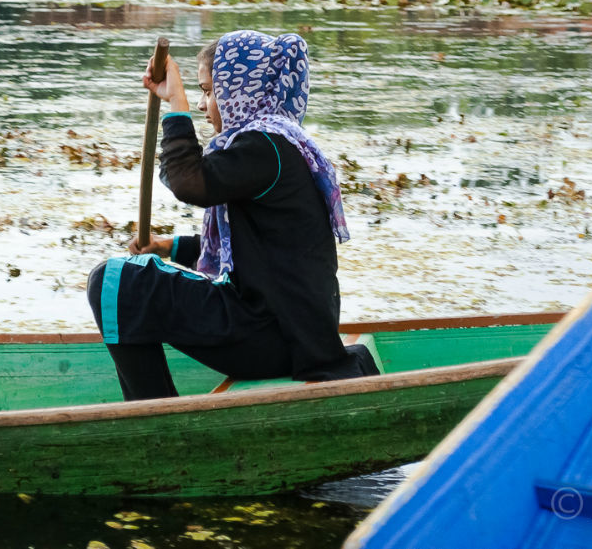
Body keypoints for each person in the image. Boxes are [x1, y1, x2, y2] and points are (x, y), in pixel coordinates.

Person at [86, 30, 378, 400]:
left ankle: (155, 417)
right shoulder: (277, 145)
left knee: (112, 281)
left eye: (210, 92)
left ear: (241, 89)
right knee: (125, 280)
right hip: (288, 335)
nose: (206, 106)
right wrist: (166, 246)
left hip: (275, 338)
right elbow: (249, 253)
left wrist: (176, 101)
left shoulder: (265, 147)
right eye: (203, 92)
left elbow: (188, 183)